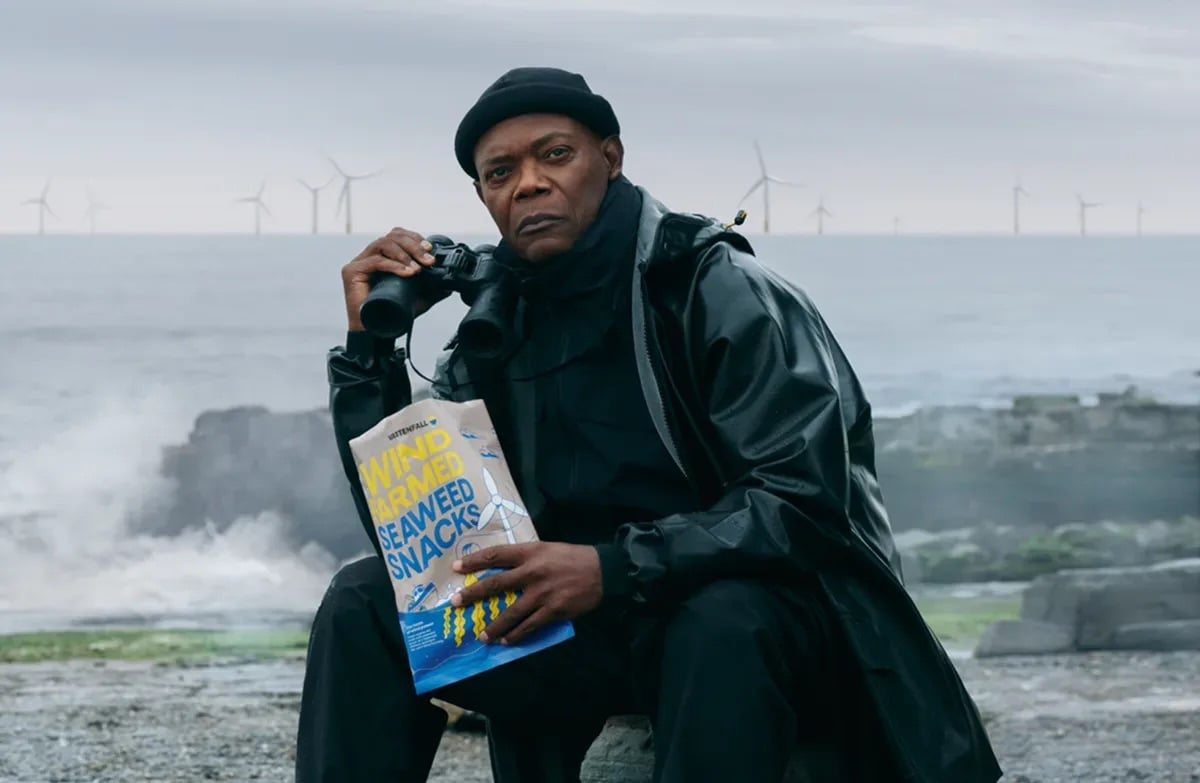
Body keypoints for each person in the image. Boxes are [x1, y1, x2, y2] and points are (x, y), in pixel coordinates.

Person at [295, 66, 1002, 783]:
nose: (529, 183)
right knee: (362, 601)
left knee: (722, 618)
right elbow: (426, 541)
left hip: (775, 623)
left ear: (611, 156)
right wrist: (368, 353)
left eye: (555, 154)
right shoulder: (493, 330)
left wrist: (612, 568)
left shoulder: (714, 288)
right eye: (500, 172)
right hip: (597, 634)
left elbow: (806, 504)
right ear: (484, 196)